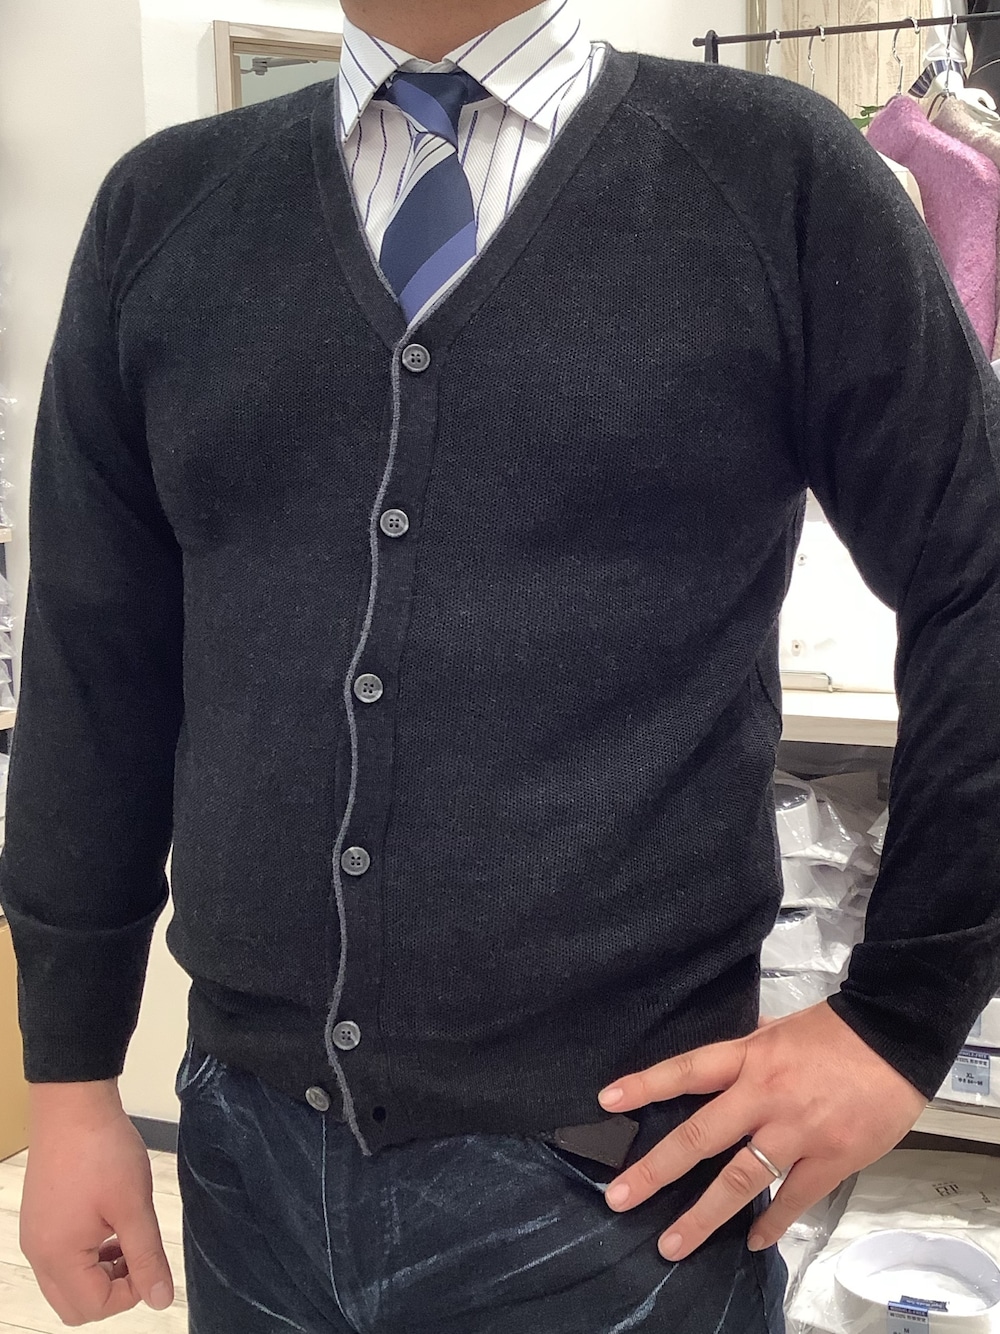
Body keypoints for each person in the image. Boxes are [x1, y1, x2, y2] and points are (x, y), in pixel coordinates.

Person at [2, 0, 999, 1329]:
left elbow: (981, 575)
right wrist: (71, 1081)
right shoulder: (165, 209)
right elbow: (93, 663)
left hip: (616, 1181)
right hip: (249, 1157)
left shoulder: (777, 177)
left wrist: (901, 1021)